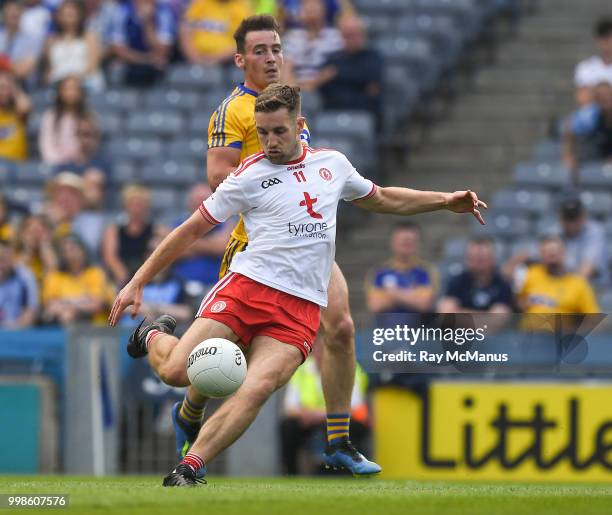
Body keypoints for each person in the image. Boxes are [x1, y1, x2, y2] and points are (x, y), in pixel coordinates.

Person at [108, 83, 487, 486]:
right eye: (263, 131)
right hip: (245, 290)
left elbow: (384, 198)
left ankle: (190, 467)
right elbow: (190, 231)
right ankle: (151, 335)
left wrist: (446, 200)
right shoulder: (248, 175)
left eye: (278, 131)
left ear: (299, 125)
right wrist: (138, 280)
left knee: (258, 387)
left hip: (299, 309)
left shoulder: (333, 165)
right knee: (174, 372)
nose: (270, 141)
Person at [188, 14, 376, 476]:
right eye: (260, 51)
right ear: (240, 58)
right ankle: (191, 406)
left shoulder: (287, 106)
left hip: (307, 241)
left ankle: (337, 441)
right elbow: (216, 178)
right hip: (258, 246)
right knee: (232, 349)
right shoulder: (232, 110)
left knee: (343, 327)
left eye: (276, 49)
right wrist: (268, 170)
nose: (271, 58)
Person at [280, 340, 370, 475]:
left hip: (339, 422)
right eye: (318, 350)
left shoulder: (348, 369)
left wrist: (322, 416)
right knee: (288, 426)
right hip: (309, 421)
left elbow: (355, 408)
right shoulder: (302, 371)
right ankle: (291, 474)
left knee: (333, 427)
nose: (321, 354)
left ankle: (333, 472)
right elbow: (290, 407)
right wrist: (311, 416)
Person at [313, 16, 383, 128]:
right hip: (332, 112)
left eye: (355, 34)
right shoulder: (332, 58)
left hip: (363, 112)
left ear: (363, 35)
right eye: (347, 36)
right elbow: (322, 83)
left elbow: (372, 84)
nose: (352, 39)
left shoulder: (373, 57)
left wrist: (337, 73)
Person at [438, 236, 513, 330]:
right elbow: (446, 315)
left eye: (482, 259)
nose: (478, 264)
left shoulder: (502, 284)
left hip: (493, 340)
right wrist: (486, 317)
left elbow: (498, 320)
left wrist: (460, 314)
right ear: (466, 259)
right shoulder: (457, 281)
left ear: (492, 258)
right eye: (473, 259)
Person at [366, 221, 438, 316]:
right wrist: (412, 295)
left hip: (419, 328)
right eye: (402, 240)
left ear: (418, 243)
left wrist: (393, 292)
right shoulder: (379, 272)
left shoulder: (426, 271)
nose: (406, 243)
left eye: (410, 241)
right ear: (392, 242)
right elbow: (375, 305)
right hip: (387, 329)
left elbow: (424, 304)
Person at [516, 235, 599, 316]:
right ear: (540, 254)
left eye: (554, 251)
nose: (551, 255)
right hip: (530, 328)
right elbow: (515, 302)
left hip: (563, 329)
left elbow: (594, 318)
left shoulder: (578, 284)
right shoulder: (530, 274)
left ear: (564, 253)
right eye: (546, 252)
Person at [170, 183, 232, 291]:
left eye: (205, 201)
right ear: (189, 203)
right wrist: (209, 246)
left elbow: (221, 247)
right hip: (181, 287)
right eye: (197, 201)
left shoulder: (225, 223)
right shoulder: (179, 224)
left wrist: (183, 244)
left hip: (216, 286)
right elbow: (167, 252)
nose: (201, 206)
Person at [42, 234, 113, 325]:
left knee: (68, 315)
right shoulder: (54, 276)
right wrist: (83, 301)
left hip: (95, 327)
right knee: (64, 316)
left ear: (83, 251)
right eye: (65, 251)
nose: (69, 254)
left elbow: (97, 304)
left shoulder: (95, 273)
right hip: (61, 324)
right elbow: (50, 306)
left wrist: (69, 306)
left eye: (72, 248)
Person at [102, 184, 159, 287]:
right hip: (121, 278)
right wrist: (124, 278)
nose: (136, 207)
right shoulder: (114, 230)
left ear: (146, 206)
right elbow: (110, 257)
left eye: (140, 204)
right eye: (133, 203)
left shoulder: (155, 230)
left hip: (146, 277)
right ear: (126, 205)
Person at [109, 0, 175, 86]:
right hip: (131, 64)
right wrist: (145, 60)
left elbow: (163, 50)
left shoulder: (164, 11)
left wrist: (148, 23)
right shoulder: (122, 11)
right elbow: (119, 49)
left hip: (156, 67)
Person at [42, 0, 105, 92]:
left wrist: (73, 80)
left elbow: (92, 65)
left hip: (86, 82)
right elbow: (49, 68)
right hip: (58, 83)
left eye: (71, 14)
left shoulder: (90, 37)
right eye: (64, 14)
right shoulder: (50, 40)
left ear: (79, 15)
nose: (68, 18)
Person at [282, 0, 343, 91]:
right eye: (307, 7)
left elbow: (333, 69)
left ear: (324, 10)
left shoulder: (335, 37)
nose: (310, 10)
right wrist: (294, 89)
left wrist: (312, 84)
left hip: (324, 89)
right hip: (294, 89)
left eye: (315, 7)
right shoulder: (291, 36)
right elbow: (285, 69)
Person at [38, 76, 96, 166]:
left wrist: (86, 143)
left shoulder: (88, 116)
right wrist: (59, 162)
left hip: (82, 165)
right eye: (67, 89)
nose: (71, 93)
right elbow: (46, 146)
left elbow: (93, 146)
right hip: (57, 166)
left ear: (81, 92)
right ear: (60, 92)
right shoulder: (50, 116)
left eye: (74, 89)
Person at [179, 0, 252, 66]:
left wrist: (215, 59)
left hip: (227, 64)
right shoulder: (200, 3)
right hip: (192, 61)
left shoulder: (241, 7)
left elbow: (242, 43)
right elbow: (185, 30)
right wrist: (194, 57)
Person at [562, 81, 612, 171]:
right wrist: (569, 154)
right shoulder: (590, 117)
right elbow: (569, 130)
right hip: (593, 161)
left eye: (607, 95)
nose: (605, 98)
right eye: (600, 96)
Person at [0, 238, 38, 329]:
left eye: (3, 259)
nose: (1, 264)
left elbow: (30, 310)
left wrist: (14, 329)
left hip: (17, 332)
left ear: (11, 257)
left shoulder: (25, 276)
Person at [0, 0, 42, 82]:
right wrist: (14, 65)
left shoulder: (32, 39)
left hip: (23, 86)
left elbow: (23, 71)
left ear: (22, 13)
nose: (13, 14)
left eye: (16, 11)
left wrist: (3, 63)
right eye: (9, 11)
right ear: (4, 14)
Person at [574, 18, 612, 107]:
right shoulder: (586, 67)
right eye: (603, 38)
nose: (606, 42)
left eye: (609, 37)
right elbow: (582, 99)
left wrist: (596, 92)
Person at [0, 70, 31, 162]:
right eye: (1, 88)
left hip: (18, 165)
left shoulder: (18, 111)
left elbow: (26, 107)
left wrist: (13, 87)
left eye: (6, 88)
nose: (3, 93)